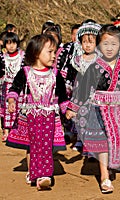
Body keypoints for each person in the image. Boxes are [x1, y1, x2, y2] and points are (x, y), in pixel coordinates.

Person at [67, 24, 120, 193]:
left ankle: (110, 167)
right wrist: (73, 107)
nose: (109, 48)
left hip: (118, 110)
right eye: (105, 44)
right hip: (98, 110)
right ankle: (104, 176)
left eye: (114, 44)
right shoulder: (94, 67)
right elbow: (82, 89)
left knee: (114, 142)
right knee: (102, 143)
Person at [5, 34, 69, 191]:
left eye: (55, 52)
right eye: (50, 52)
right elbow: (15, 88)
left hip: (49, 117)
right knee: (33, 146)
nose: (54, 56)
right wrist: (12, 100)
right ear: (36, 53)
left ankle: (44, 176)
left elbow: (62, 96)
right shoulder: (25, 72)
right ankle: (34, 173)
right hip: (30, 116)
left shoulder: (55, 74)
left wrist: (67, 110)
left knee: (46, 146)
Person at [62, 21, 101, 151]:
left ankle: (90, 144)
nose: (88, 45)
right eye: (85, 42)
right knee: (80, 117)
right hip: (79, 92)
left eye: (91, 42)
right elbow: (71, 75)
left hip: (95, 94)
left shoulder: (100, 59)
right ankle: (80, 139)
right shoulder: (76, 60)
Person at [0, 32, 25, 142]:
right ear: (4, 44)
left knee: (19, 108)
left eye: (13, 43)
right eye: (8, 43)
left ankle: (17, 131)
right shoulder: (3, 57)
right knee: (7, 110)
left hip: (19, 86)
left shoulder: (22, 56)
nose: (11, 46)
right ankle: (6, 131)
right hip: (7, 85)